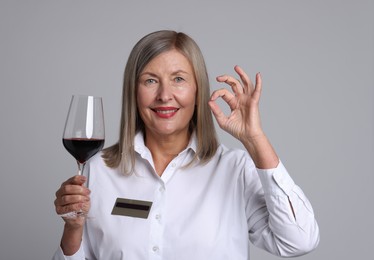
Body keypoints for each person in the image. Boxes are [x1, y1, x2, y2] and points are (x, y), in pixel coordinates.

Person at [53, 30, 319, 260]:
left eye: (178, 79)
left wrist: (255, 139)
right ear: (133, 92)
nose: (164, 95)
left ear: (197, 90)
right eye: (150, 80)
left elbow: (299, 240)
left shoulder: (234, 169)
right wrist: (73, 228)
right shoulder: (99, 169)